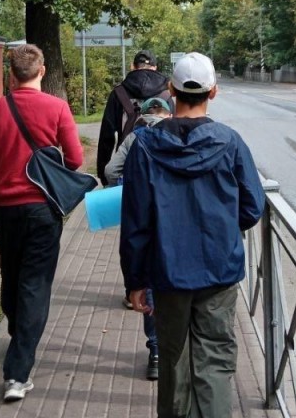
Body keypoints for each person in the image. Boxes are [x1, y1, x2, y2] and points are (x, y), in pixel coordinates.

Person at [120, 52, 266, 418]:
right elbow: (252, 206)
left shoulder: (144, 147)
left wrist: (135, 280)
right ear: (213, 92)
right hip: (219, 270)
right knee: (215, 357)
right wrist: (222, 232)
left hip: (167, 272)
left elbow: (135, 221)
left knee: (172, 356)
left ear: (171, 91)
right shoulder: (230, 142)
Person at [0, 43, 84, 403]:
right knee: (34, 285)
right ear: (41, 71)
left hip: (6, 209)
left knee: (11, 275)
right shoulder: (57, 107)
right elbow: (75, 159)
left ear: (10, 74)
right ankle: (17, 375)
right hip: (42, 210)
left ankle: (19, 336)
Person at [104, 96, 173, 382]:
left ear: (144, 117)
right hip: (176, 220)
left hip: (144, 220)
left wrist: (127, 184)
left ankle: (156, 352)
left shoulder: (135, 138)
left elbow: (110, 172)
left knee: (151, 284)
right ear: (168, 114)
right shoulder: (180, 134)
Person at [96, 49, 170, 187]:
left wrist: (103, 173)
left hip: (125, 165)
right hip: (161, 168)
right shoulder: (167, 94)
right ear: (155, 68)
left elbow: (107, 136)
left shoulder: (118, 93)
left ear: (133, 66)